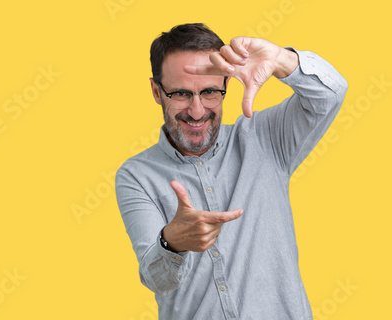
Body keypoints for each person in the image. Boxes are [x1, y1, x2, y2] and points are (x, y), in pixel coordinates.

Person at [115, 23, 347, 320]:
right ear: (157, 92)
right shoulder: (136, 175)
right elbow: (157, 279)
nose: (197, 111)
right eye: (181, 94)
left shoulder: (266, 138)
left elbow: (331, 93)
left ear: (226, 84)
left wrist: (281, 60)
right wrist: (171, 243)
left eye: (210, 92)